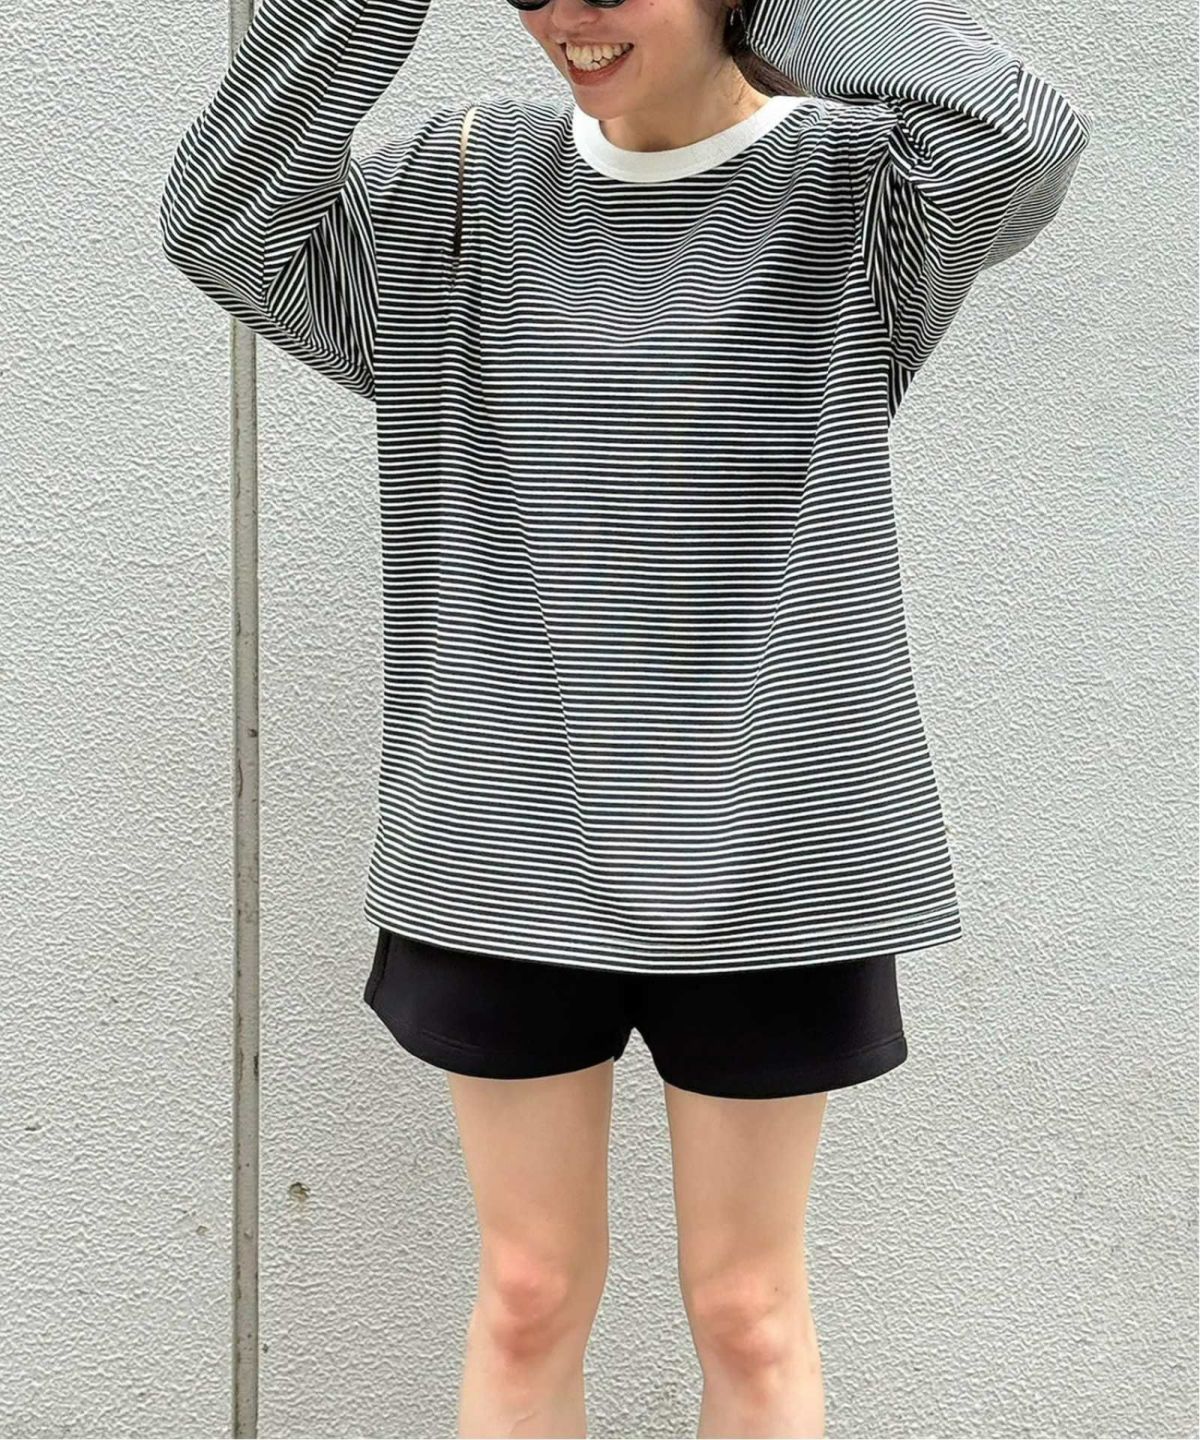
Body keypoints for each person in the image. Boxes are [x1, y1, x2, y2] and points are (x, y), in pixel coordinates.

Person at [159, 0, 1091, 1432]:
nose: (572, 16)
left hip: (776, 839)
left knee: (748, 1310)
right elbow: (223, 223)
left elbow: (1023, 132)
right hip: (499, 833)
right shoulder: (451, 192)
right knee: (530, 1291)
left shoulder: (862, 196)